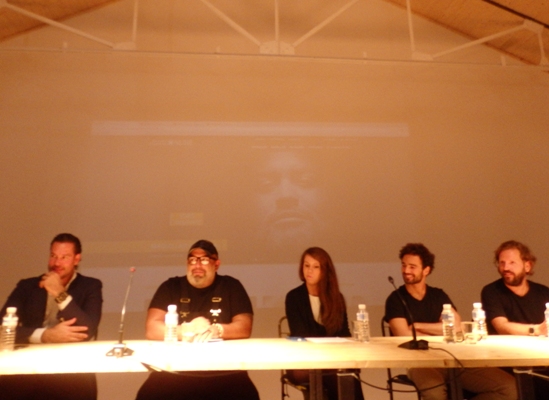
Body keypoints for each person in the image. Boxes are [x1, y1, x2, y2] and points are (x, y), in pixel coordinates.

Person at [385, 243, 516, 400]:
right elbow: (404, 336)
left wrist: (417, 326)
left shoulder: (438, 295)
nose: (406, 270)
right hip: (419, 363)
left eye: (412, 267)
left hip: (452, 358)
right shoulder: (395, 299)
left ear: (426, 270)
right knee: (435, 393)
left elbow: (457, 328)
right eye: (404, 265)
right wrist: (441, 330)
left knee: (508, 387)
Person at [136, 239, 259, 400]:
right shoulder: (171, 286)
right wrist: (187, 330)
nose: (197, 265)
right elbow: (152, 329)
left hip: (224, 370)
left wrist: (217, 330)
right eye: (192, 260)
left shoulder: (231, 286)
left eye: (204, 260)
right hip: (174, 371)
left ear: (216, 264)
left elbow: (244, 327)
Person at [0, 233, 103, 400]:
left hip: (72, 372)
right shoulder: (27, 286)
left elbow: (87, 330)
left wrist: (59, 292)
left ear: (76, 259)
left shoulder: (90, 286)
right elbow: (3, 328)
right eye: (53, 256)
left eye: (64, 257)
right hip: (27, 368)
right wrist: (44, 335)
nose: (56, 263)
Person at [285, 247, 364, 400]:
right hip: (304, 359)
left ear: (325, 271)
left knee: (348, 373)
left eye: (316, 267)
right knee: (337, 374)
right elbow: (300, 333)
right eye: (306, 265)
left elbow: (343, 332)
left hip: (333, 358)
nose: (310, 271)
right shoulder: (294, 297)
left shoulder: (336, 298)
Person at [481, 240, 549, 399]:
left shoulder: (543, 292)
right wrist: (536, 330)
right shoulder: (492, 292)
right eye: (502, 263)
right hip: (507, 363)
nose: (505, 268)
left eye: (512, 263)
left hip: (540, 359)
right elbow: (501, 326)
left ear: (527, 266)